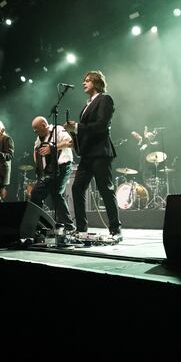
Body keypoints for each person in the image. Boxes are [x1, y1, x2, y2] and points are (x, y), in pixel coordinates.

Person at [65, 70, 122, 241]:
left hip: (100, 152)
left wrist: (77, 127)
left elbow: (101, 125)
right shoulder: (87, 104)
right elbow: (86, 128)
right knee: (77, 188)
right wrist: (74, 131)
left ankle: (115, 229)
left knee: (105, 189)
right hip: (88, 154)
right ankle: (81, 229)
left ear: (96, 82)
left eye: (88, 80)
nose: (84, 83)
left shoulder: (104, 98)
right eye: (84, 80)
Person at [30, 116, 75, 232]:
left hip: (63, 166)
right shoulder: (39, 138)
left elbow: (70, 142)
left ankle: (68, 225)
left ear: (44, 125)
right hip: (49, 171)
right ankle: (39, 224)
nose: (35, 132)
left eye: (37, 129)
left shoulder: (58, 130)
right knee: (36, 194)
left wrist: (53, 147)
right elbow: (36, 150)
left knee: (56, 194)